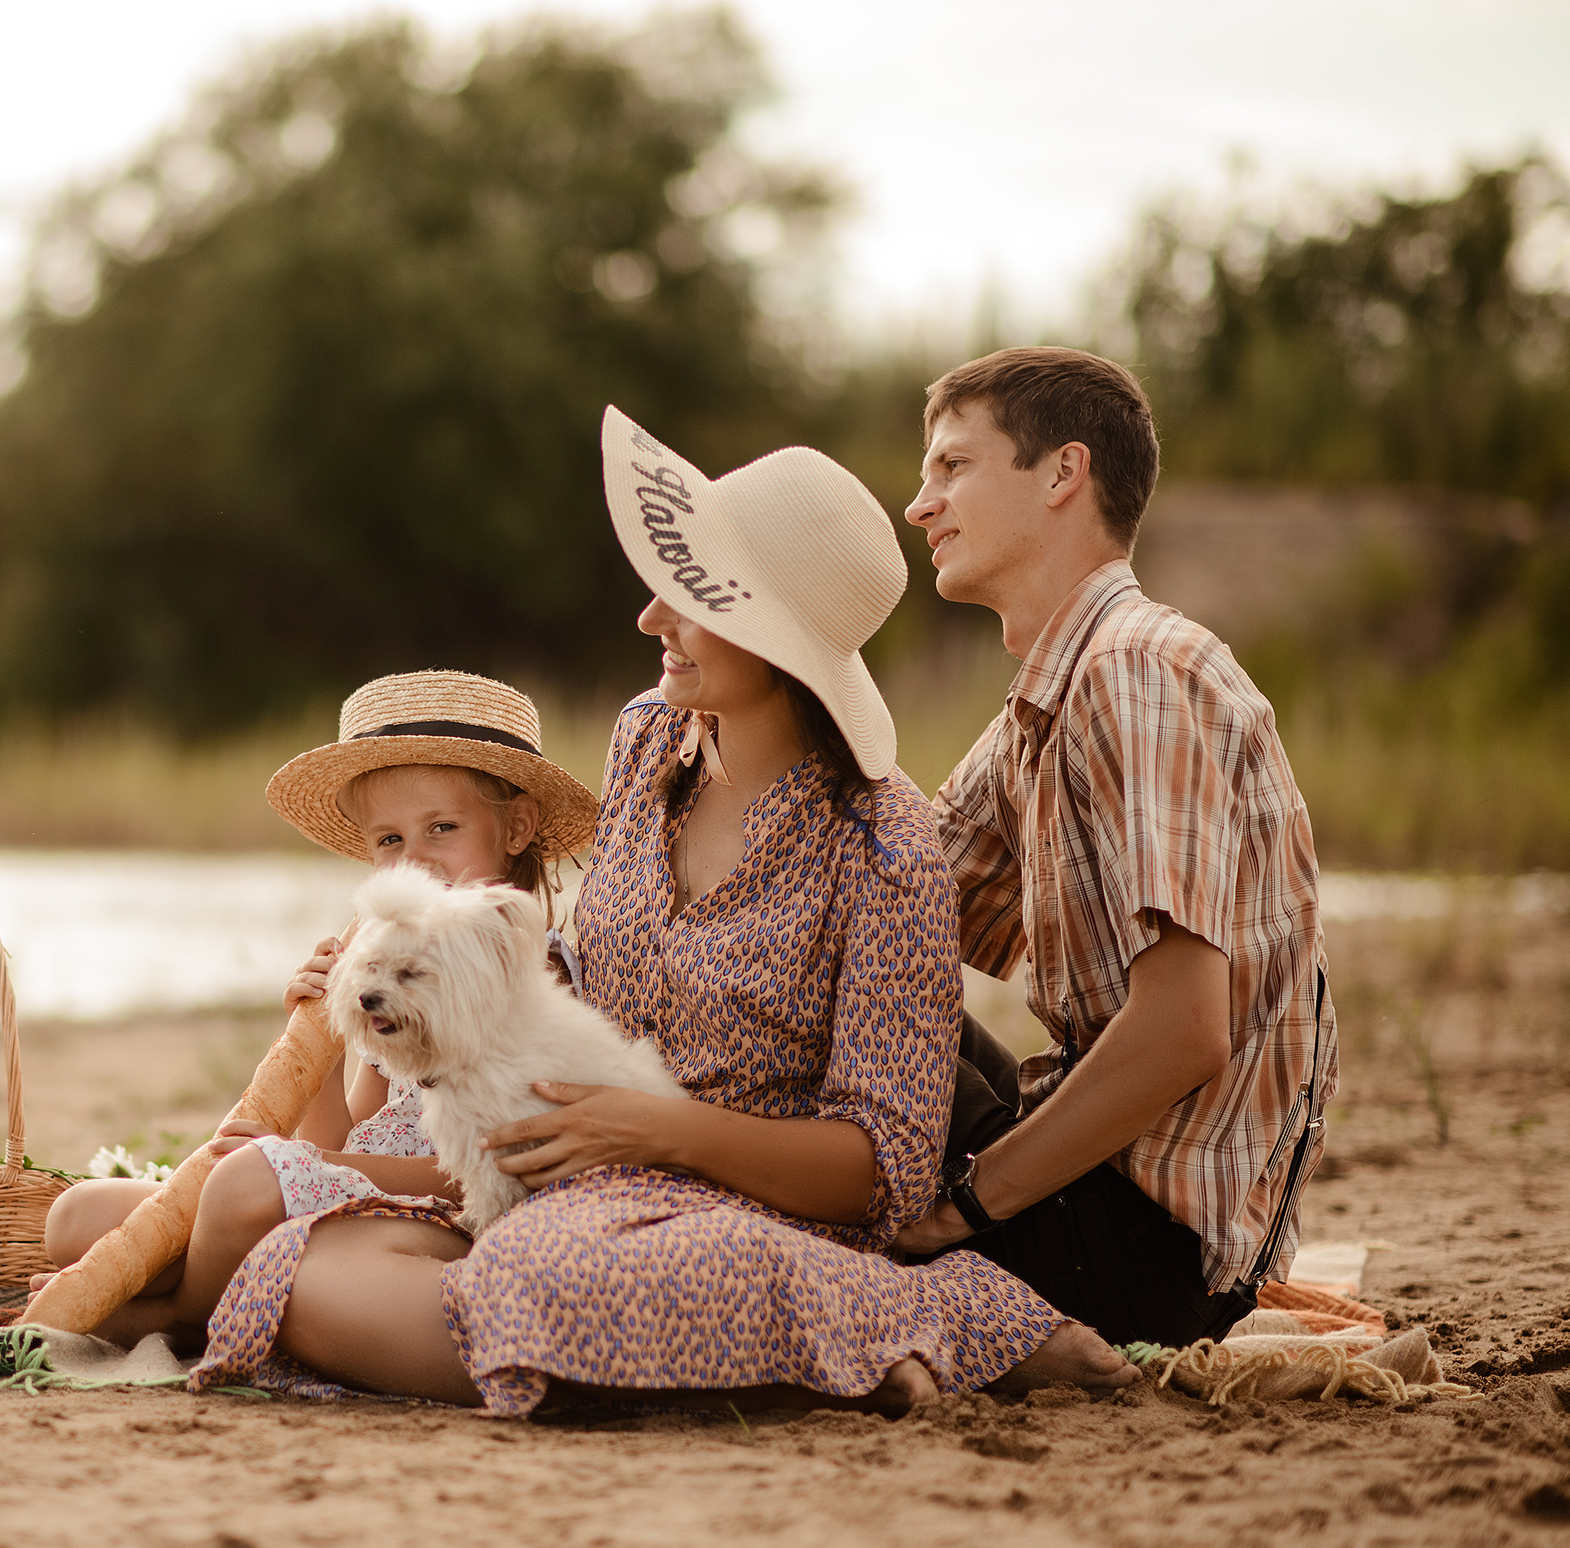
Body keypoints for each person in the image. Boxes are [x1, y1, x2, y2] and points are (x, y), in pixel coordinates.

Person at [187, 409, 1130, 1414]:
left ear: (776, 639)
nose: (649, 620)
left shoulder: (883, 846)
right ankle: (782, 1342)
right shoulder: (646, 744)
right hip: (573, 1186)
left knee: (500, 1288)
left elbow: (879, 1172)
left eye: (688, 597)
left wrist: (657, 1130)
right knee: (306, 1260)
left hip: (739, 1206)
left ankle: (905, 1315)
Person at [892, 347, 1333, 1348]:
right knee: (841, 993)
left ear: (1061, 474)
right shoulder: (1049, 697)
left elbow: (1184, 1030)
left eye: (951, 467)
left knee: (833, 1040)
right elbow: (885, 905)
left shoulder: (1135, 671)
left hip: (1147, 1255)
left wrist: (967, 1205)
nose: (920, 506)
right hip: (1116, 1212)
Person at [34, 670, 600, 1350]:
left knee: (244, 1186)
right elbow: (348, 1130)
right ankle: (181, 1281)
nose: (412, 864)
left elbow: (496, 1166)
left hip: (438, 1214)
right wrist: (324, 1044)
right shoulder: (385, 973)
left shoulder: (525, 974)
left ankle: (180, 1318)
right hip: (354, 1187)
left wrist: (313, 1172)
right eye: (389, 841)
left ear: (516, 826)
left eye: (441, 829)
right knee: (77, 1216)